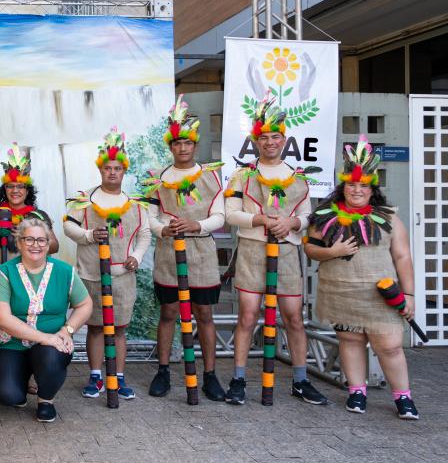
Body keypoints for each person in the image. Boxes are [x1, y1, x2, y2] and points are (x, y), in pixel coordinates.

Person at [304, 136, 419, 419]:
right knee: (350, 340)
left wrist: (409, 294)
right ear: (343, 186)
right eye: (352, 184)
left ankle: (403, 397)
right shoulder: (324, 217)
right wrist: (334, 251)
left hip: (380, 294)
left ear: (372, 189)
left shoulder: (389, 217)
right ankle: (357, 392)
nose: (357, 190)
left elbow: (403, 257)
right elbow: (310, 250)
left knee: (389, 345)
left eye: (363, 185)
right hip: (341, 291)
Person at [223, 96, 327, 406]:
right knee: (247, 316)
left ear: (284, 139)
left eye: (275, 137)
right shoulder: (242, 175)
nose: (270, 142)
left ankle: (300, 381)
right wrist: (260, 220)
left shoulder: (298, 176)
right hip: (253, 251)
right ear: (256, 141)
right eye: (264, 137)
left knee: (294, 317)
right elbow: (231, 213)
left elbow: (307, 215)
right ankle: (238, 379)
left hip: (287, 252)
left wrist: (292, 223)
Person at [140, 97, 226, 401]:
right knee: (169, 312)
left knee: (204, 312)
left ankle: (210, 375)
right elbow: (150, 216)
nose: (183, 148)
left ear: (195, 144)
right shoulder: (158, 179)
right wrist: (163, 229)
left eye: (187, 143)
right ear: (171, 146)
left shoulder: (210, 176)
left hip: (201, 253)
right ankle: (163, 370)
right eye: (177, 143)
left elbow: (220, 216)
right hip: (168, 253)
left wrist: (196, 225)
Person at [64, 128, 150, 399]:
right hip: (91, 274)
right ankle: (96, 377)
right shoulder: (85, 199)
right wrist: (89, 235)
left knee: (120, 328)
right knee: (96, 326)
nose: (112, 173)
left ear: (124, 171)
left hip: (122, 275)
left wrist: (137, 256)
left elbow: (144, 234)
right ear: (100, 170)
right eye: (108, 168)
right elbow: (69, 227)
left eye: (117, 169)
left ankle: (118, 377)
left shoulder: (135, 204)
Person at [0, 218, 93, 422]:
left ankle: (46, 399)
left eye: (41, 240)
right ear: (19, 243)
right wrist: (45, 337)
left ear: (48, 244)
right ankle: (21, 381)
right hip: (12, 342)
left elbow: (85, 304)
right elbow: (1, 317)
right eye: (29, 239)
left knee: (51, 357)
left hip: (52, 344)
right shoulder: (4, 272)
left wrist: (67, 331)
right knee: (8, 395)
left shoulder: (65, 271)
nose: (35, 245)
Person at [0, 143, 58, 320]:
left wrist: (28, 239)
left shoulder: (38, 217)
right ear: (5, 189)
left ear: (27, 190)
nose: (15, 191)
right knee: (1, 320)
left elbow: (55, 246)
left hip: (30, 279)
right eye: (10, 186)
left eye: (20, 186)